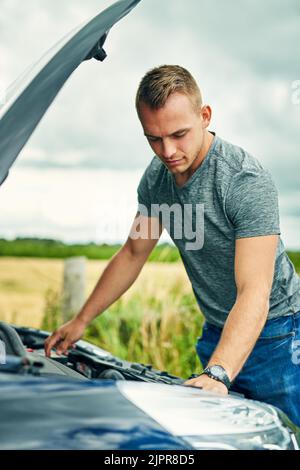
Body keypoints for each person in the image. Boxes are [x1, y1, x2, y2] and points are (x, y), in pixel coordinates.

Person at [45, 65, 300, 426]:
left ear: (205, 115)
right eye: (154, 138)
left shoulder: (244, 180)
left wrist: (219, 373)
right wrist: (82, 319)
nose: (167, 151)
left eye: (179, 134)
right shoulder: (158, 178)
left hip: (279, 335)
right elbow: (134, 253)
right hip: (217, 332)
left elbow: (254, 290)